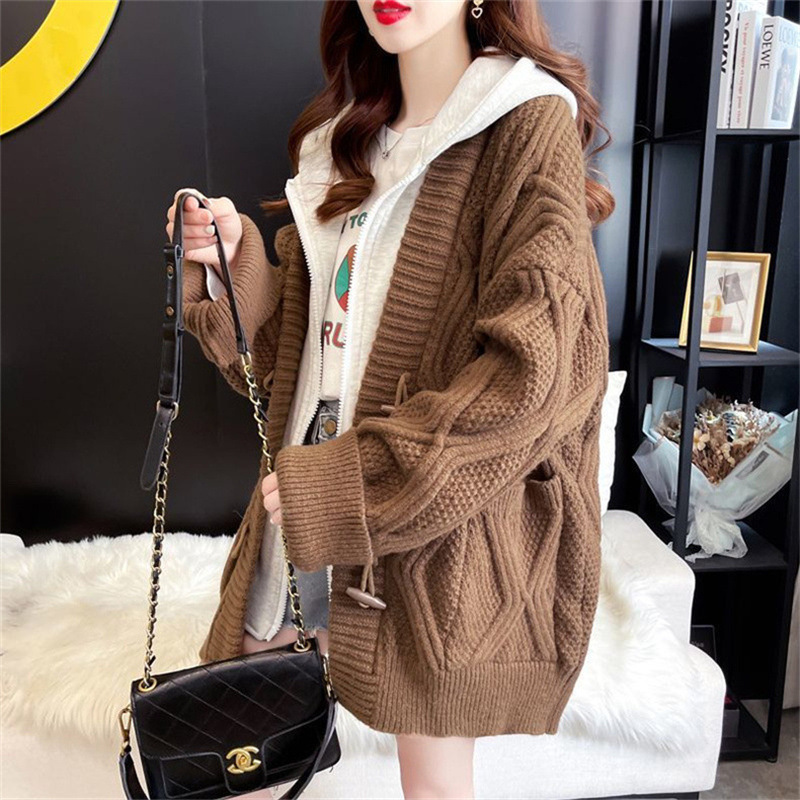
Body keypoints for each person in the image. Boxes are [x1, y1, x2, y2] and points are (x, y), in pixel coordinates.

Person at [166, 1, 614, 797]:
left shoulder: (522, 117)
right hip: (307, 486)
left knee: (432, 785)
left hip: (434, 517)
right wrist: (233, 270)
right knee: (246, 760)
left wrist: (357, 484)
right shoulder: (343, 140)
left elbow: (535, 378)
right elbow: (292, 370)